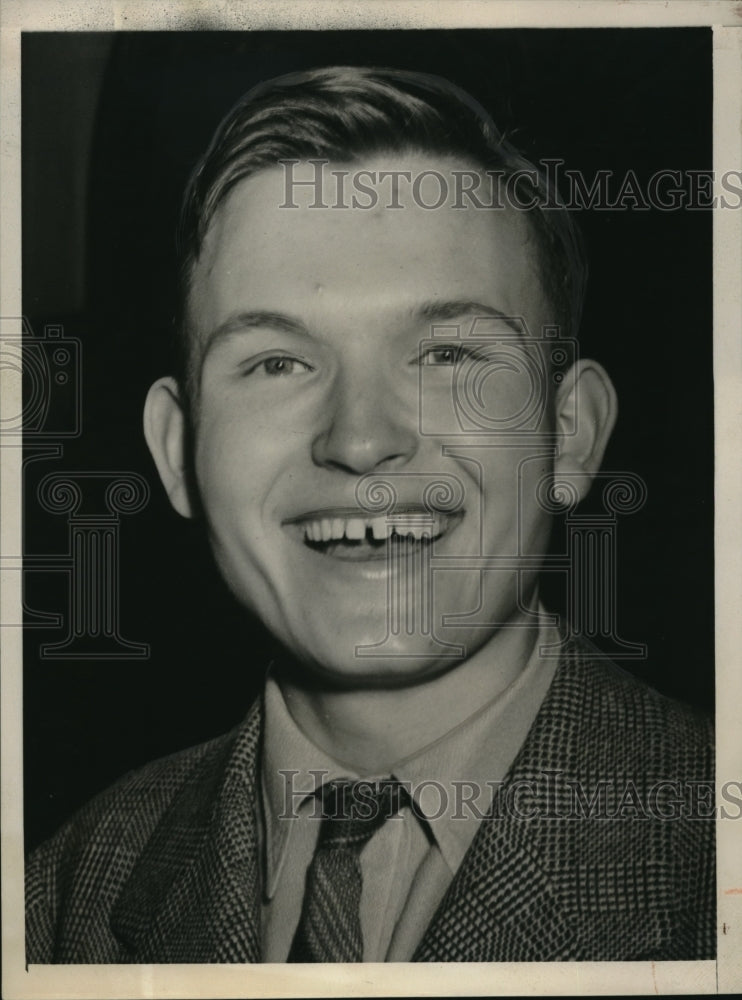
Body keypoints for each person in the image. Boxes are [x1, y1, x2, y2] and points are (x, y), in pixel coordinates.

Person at [25, 65, 714, 964]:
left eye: (446, 353)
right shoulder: (61, 895)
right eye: (277, 363)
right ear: (176, 449)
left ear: (570, 434)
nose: (359, 441)